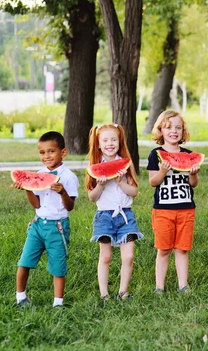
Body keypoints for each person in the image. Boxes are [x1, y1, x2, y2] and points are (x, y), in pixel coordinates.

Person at [13, 131, 79, 307]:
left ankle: (58, 303)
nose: (46, 156)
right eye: (42, 152)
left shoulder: (69, 177)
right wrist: (27, 187)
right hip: (37, 225)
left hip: (57, 227)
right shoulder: (39, 173)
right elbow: (36, 204)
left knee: (58, 267)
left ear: (63, 152)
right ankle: (20, 297)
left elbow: (70, 206)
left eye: (51, 151)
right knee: (24, 261)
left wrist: (63, 192)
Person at [86, 124, 142, 300]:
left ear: (120, 142)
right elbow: (91, 197)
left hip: (126, 215)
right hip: (104, 217)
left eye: (113, 139)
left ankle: (123, 292)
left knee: (129, 256)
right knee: (106, 256)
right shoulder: (95, 166)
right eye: (105, 140)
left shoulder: (126, 164)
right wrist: (101, 184)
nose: (110, 143)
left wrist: (120, 181)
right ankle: (104, 294)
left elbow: (134, 192)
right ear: (98, 144)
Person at [148, 110, 200, 294]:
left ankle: (183, 285)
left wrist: (193, 173)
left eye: (178, 127)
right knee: (163, 249)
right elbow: (153, 182)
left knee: (182, 249)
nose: (174, 131)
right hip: (163, 210)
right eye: (169, 127)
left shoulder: (189, 155)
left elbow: (193, 184)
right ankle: (159, 286)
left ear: (183, 131)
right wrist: (162, 171)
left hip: (186, 209)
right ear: (160, 130)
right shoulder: (156, 154)